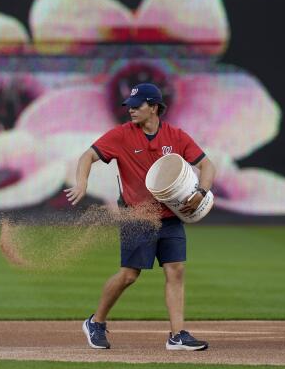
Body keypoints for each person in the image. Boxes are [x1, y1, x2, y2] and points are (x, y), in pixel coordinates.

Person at [65, 83, 216, 351]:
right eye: (130, 106)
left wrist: (202, 192)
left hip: (170, 215)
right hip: (137, 216)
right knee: (129, 275)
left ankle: (177, 335)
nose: (131, 110)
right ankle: (96, 322)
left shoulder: (176, 136)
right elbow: (87, 156)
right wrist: (81, 183)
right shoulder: (121, 135)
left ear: (154, 107)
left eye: (138, 105)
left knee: (176, 270)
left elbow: (206, 165)